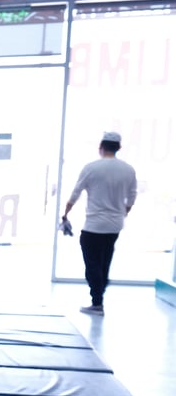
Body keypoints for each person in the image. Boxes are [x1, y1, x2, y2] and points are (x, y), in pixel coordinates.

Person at [62, 131, 137, 316]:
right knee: (104, 260)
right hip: (115, 225)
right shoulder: (128, 170)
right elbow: (132, 196)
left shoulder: (91, 168)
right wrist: (123, 213)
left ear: (101, 147)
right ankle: (99, 295)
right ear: (118, 147)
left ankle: (97, 302)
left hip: (94, 225)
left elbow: (76, 193)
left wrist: (65, 213)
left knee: (92, 264)